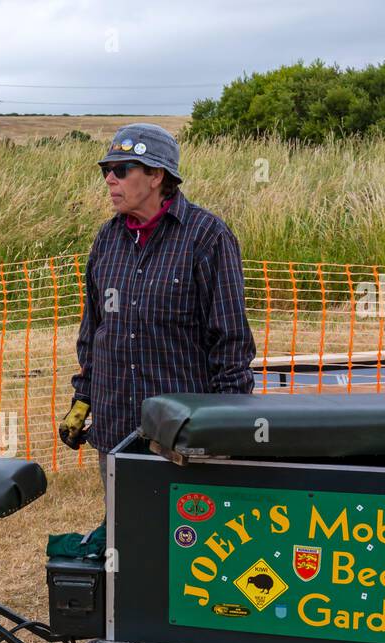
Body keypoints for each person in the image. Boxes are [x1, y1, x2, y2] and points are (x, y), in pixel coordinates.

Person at [60, 123, 255, 488]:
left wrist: (228, 427)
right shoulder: (107, 239)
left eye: (121, 170)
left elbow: (231, 342)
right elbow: (94, 330)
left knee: (189, 539)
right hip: (115, 427)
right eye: (107, 170)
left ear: (156, 176)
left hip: (183, 435)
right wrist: (83, 398)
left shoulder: (207, 237)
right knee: (125, 536)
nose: (109, 180)